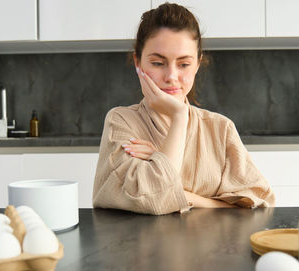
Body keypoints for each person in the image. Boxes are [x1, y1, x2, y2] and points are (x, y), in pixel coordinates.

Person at [92, 3, 275, 215]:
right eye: (158, 63)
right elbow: (154, 200)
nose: (171, 76)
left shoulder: (221, 128)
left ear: (198, 63)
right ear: (138, 63)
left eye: (184, 64)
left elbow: (260, 203)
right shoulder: (120, 121)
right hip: (141, 247)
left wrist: (168, 176)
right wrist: (179, 116)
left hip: (212, 248)